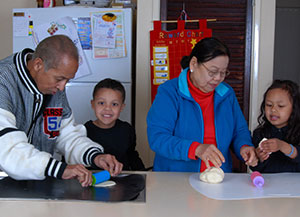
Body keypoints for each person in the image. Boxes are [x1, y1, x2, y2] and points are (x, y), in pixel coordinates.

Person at [0, 35, 122, 187]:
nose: (62, 87)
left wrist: (95, 156)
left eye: (68, 80)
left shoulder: (54, 87)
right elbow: (6, 148)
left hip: (35, 182)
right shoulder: (3, 81)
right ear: (38, 65)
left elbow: (66, 133)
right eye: (59, 79)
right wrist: (59, 169)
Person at [147, 37, 258, 172]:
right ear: (194, 64)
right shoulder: (170, 92)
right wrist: (196, 149)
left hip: (219, 176)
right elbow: (158, 138)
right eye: (212, 72)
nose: (218, 78)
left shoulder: (226, 93)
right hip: (175, 178)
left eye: (223, 73)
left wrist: (244, 146)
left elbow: (239, 131)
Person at [84, 78, 145, 171]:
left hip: (123, 181)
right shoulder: (84, 131)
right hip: (92, 181)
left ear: (122, 107)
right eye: (101, 103)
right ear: (93, 104)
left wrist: (144, 176)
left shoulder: (127, 130)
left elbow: (132, 156)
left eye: (114, 104)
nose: (107, 108)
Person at [250, 80, 300, 173]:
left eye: (280, 106)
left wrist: (282, 146)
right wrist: (259, 158)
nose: (273, 109)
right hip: (268, 185)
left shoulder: (297, 132)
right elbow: (255, 168)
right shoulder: (260, 133)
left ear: (294, 108)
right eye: (269, 105)